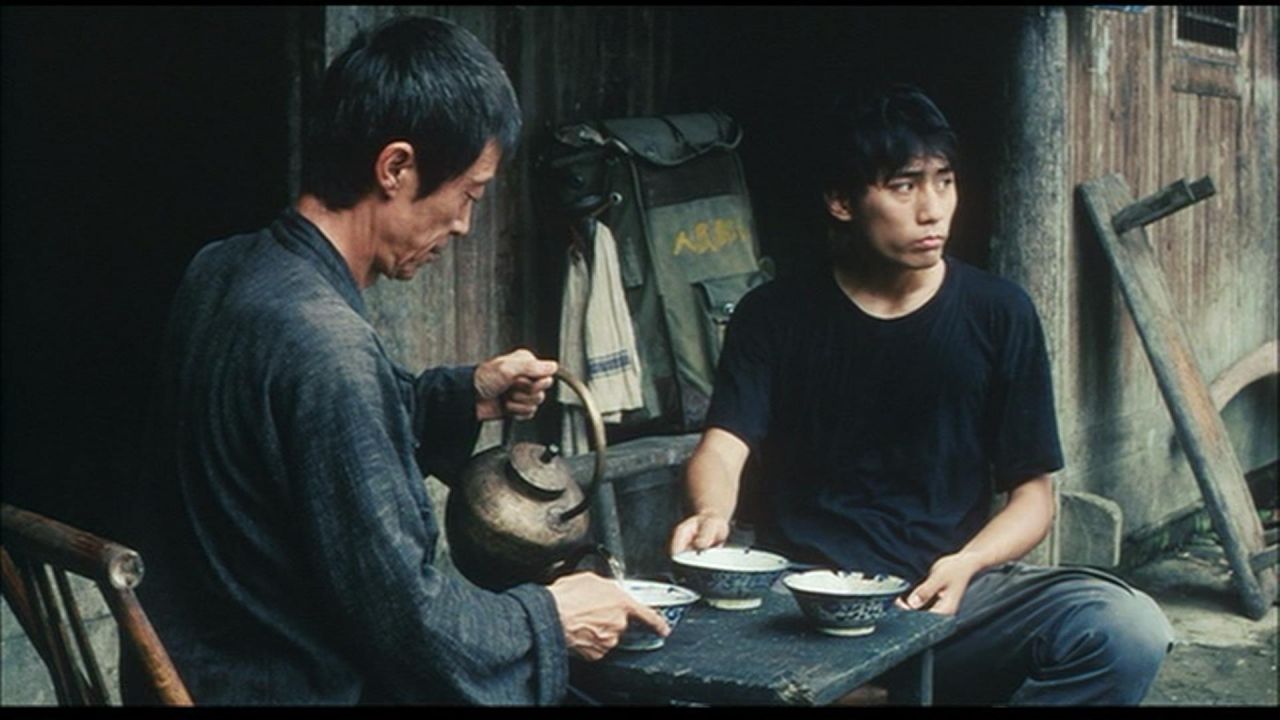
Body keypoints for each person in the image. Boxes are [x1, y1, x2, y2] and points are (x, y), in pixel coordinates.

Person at [121, 15, 665, 706]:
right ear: (396, 167)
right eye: (468, 193)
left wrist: (467, 394)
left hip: (196, 669)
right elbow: (412, 625)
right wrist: (552, 619)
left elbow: (295, 435)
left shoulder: (224, 268)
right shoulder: (326, 349)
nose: (464, 224)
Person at [668, 83, 1174, 705]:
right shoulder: (773, 314)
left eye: (945, 182)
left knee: (1126, 630)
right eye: (904, 186)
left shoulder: (999, 312)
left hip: (949, 595)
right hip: (802, 598)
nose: (932, 210)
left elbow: (1033, 496)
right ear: (841, 200)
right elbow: (725, 445)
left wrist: (969, 562)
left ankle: (876, 689)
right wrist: (712, 513)